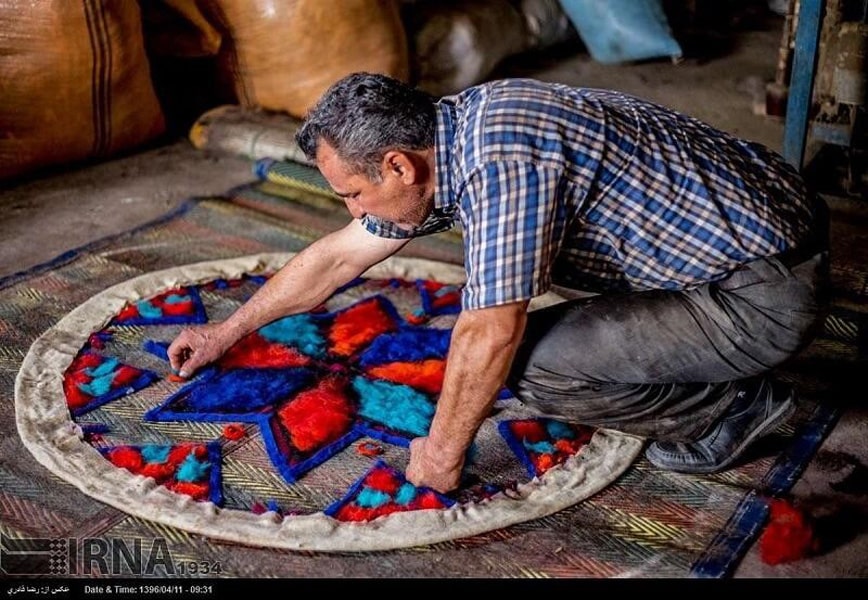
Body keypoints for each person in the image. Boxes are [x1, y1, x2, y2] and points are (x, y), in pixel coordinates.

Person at [168, 72, 830, 493]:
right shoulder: (456, 129)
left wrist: (443, 455)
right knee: (533, 317)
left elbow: (489, 332)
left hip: (762, 294)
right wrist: (226, 332)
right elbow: (337, 259)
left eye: (352, 194)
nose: (353, 212)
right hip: (758, 228)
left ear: (397, 165)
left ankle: (731, 411)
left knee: (530, 368)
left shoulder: (499, 168)